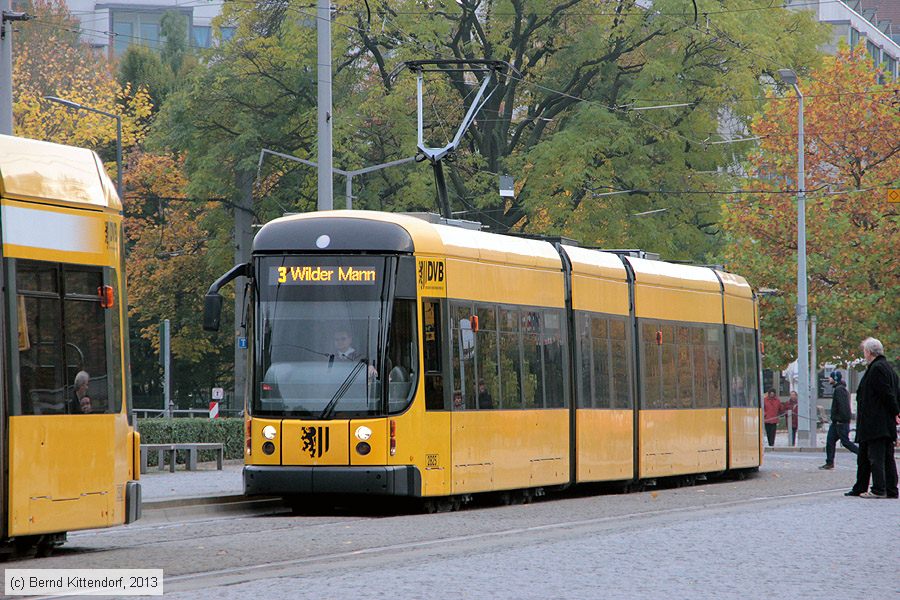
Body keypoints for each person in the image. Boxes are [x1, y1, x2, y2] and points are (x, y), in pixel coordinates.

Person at [845, 338, 899, 499]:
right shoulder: (888, 368)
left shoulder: (877, 369)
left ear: (869, 352)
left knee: (876, 457)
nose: (864, 355)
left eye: (864, 352)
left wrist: (896, 411)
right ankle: (884, 488)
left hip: (875, 422)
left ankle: (878, 489)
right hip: (880, 422)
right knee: (873, 457)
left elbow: (887, 393)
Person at [819, 371, 858, 469]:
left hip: (840, 422)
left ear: (835, 379)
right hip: (837, 422)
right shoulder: (839, 389)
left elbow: (843, 406)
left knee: (845, 442)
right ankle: (829, 462)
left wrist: (841, 419)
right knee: (830, 442)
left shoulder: (839, 390)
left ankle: (863, 455)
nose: (829, 379)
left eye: (831, 377)